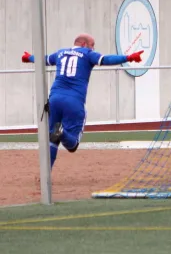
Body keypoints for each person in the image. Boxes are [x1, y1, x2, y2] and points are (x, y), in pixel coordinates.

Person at [22, 33, 143, 168]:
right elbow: (106, 59)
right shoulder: (87, 54)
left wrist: (29, 58)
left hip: (54, 99)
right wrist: (128, 57)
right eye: (92, 45)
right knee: (72, 145)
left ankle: (46, 175)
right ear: (84, 44)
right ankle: (62, 132)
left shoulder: (61, 53)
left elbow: (43, 60)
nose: (93, 49)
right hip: (74, 101)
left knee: (53, 139)